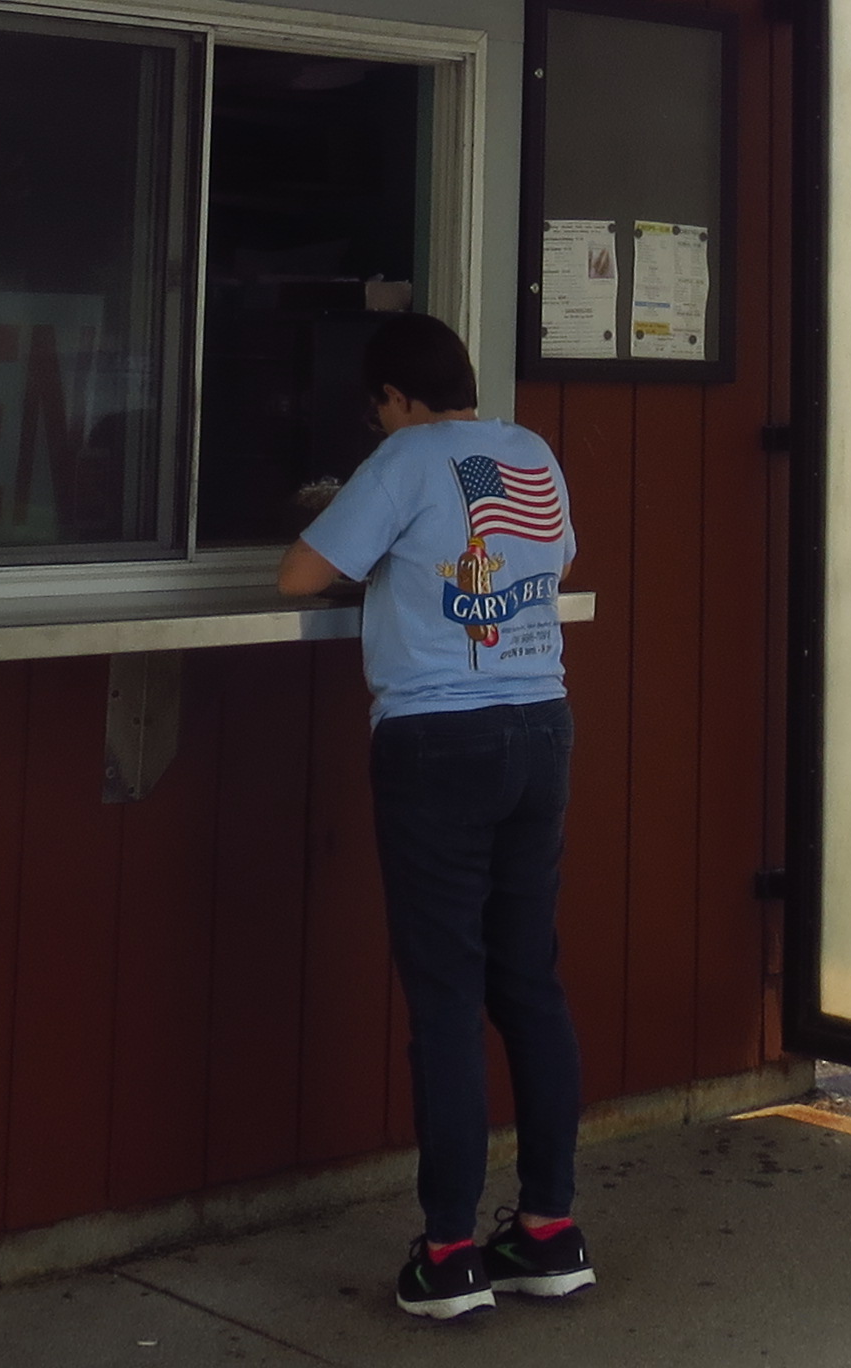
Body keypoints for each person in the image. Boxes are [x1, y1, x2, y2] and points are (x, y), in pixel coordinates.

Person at [279, 313, 592, 1319]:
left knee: (448, 996)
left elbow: (300, 574)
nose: (377, 421)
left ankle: (449, 1254)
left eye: (376, 406)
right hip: (540, 727)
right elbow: (549, 567)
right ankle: (547, 1230)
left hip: (437, 742)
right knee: (529, 982)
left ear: (396, 399)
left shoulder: (405, 459)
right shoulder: (529, 451)